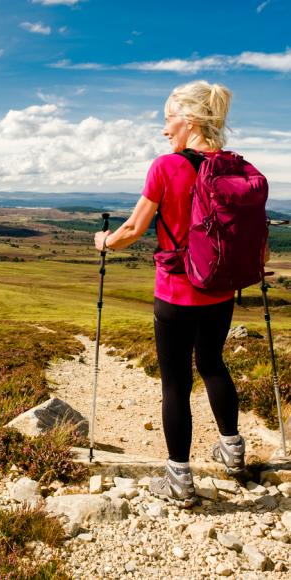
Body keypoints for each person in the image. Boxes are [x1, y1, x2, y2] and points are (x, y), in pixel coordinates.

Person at [94, 80, 248, 508]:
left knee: (175, 384)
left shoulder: (167, 167)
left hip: (178, 292)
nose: (165, 129)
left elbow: (131, 229)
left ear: (191, 120)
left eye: (168, 119)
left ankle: (180, 478)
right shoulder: (237, 168)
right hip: (219, 290)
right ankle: (233, 452)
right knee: (213, 363)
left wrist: (103, 242)